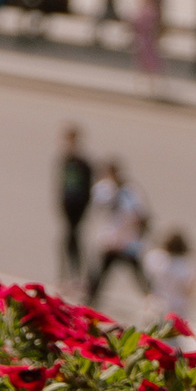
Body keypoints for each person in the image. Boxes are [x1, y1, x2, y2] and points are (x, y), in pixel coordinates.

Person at [84, 160, 151, 307]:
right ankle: (90, 300)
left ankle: (151, 300)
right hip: (112, 242)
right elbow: (98, 205)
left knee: (140, 277)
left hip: (128, 243)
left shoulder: (130, 192)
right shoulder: (106, 190)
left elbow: (138, 215)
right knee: (99, 274)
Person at [55, 126, 95, 286]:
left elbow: (88, 188)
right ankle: (66, 275)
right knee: (67, 241)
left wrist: (84, 208)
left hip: (78, 207)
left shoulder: (83, 163)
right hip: (68, 206)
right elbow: (62, 185)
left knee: (73, 240)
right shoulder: (65, 160)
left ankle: (75, 276)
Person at [143, 230, 196, 327]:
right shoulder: (185, 267)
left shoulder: (157, 258)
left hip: (156, 302)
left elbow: (148, 271)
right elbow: (189, 290)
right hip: (177, 307)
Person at [132, 0, 167, 96]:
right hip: (144, 38)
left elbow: (155, 24)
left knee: (150, 61)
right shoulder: (146, 8)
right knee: (145, 62)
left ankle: (152, 86)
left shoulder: (153, 8)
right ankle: (146, 86)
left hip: (148, 39)